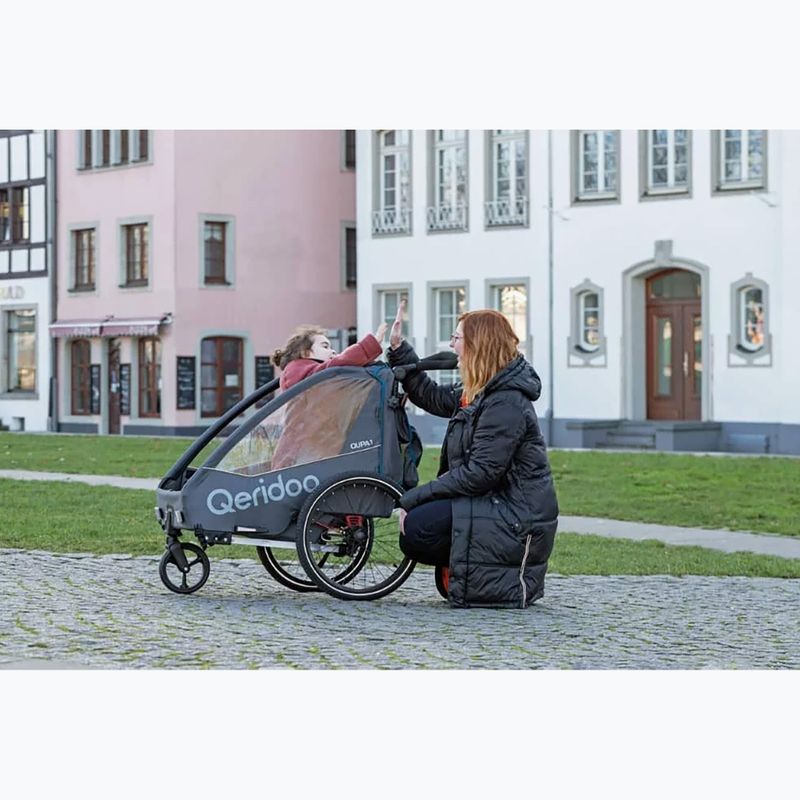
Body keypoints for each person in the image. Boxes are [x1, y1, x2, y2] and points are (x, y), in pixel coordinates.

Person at [387, 306, 559, 608]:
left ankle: (488, 576)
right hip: (494, 504)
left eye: (457, 338)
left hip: (515, 517)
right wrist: (400, 351)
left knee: (418, 529)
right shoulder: (481, 390)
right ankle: (468, 571)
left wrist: (414, 498)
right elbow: (433, 397)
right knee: (417, 526)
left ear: (478, 344)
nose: (451, 344)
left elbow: (479, 474)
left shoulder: (506, 401)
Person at [272, 323, 388, 391]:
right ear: (306, 353)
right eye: (325, 346)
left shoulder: (301, 373)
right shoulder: (299, 371)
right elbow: (338, 364)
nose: (333, 351)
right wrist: (372, 344)